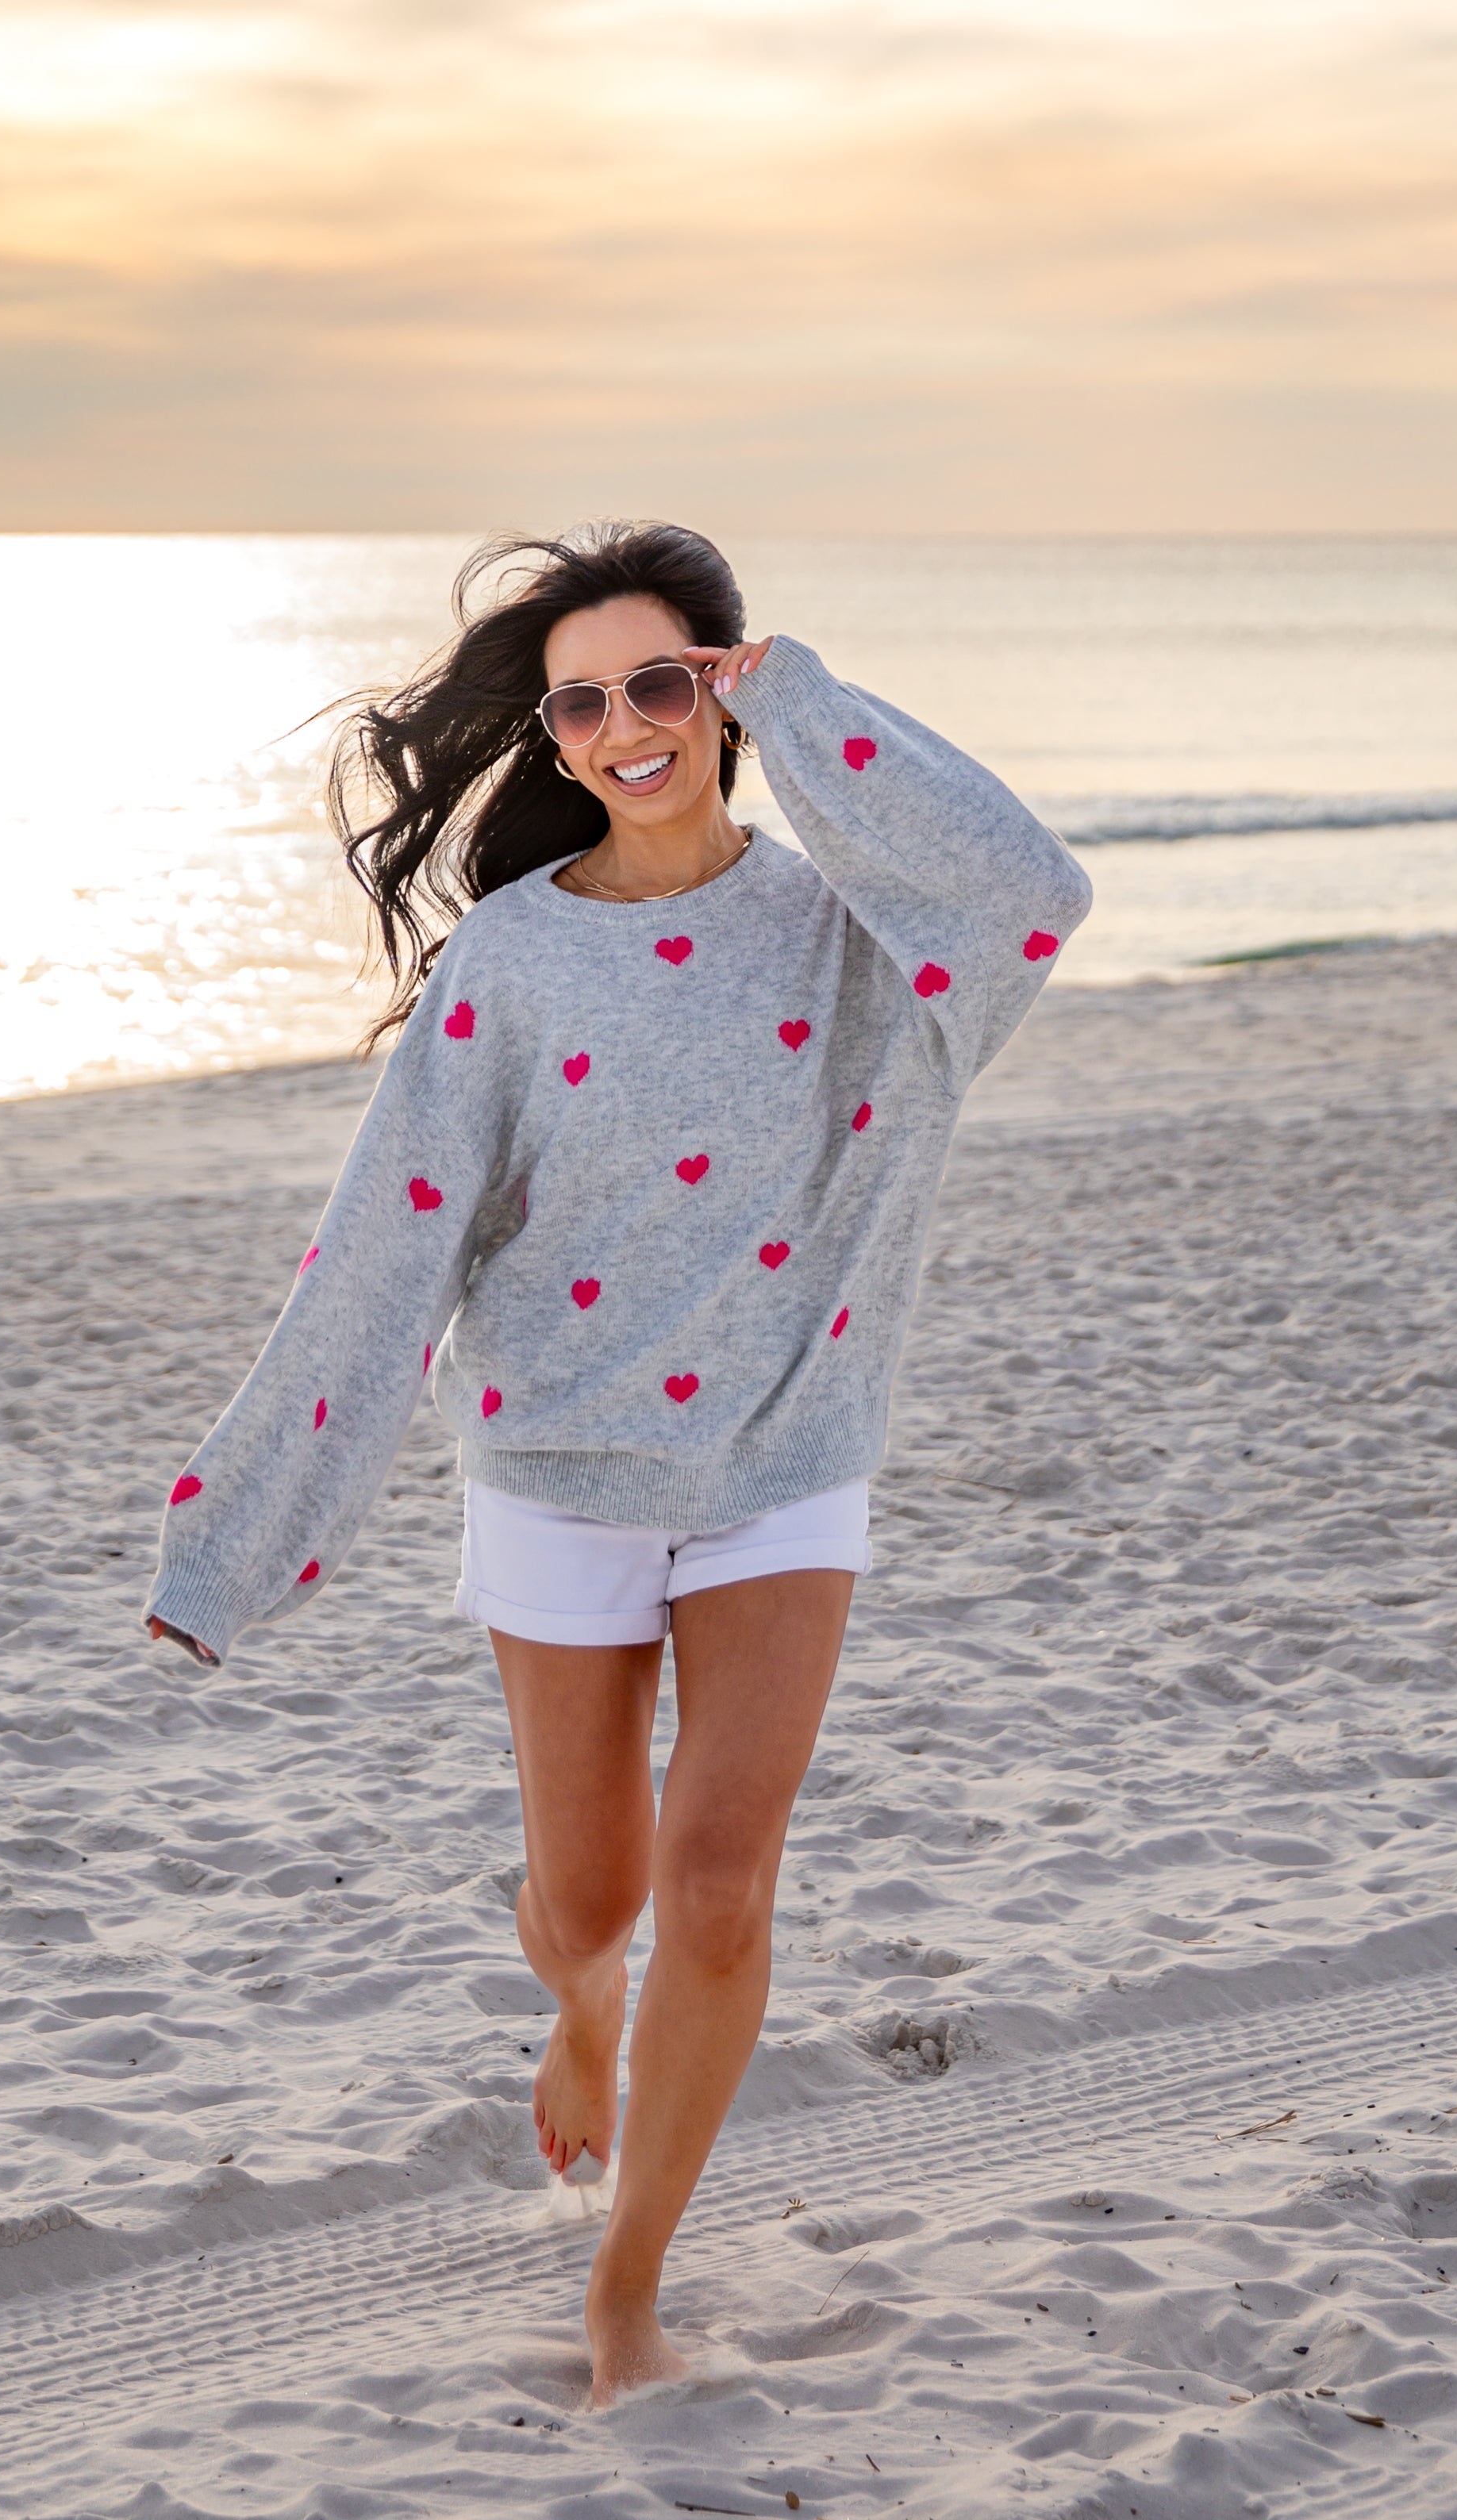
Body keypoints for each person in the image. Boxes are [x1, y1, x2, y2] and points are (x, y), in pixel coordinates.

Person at [144, 521, 1092, 2403]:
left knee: (720, 1881)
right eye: (579, 701)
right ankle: (577, 2009)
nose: (618, 727)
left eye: (661, 681)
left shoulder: (867, 947)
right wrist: (230, 1542)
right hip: (561, 1468)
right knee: (593, 1904)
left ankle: (625, 2287)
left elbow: (1027, 886)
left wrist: (805, 704)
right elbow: (384, 1250)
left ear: (718, 689)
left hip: (784, 1459)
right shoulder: (509, 960)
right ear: (553, 737)